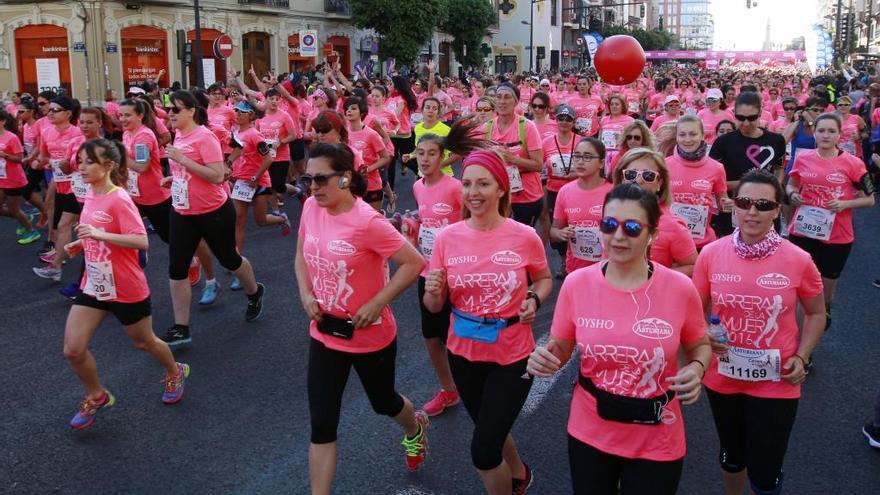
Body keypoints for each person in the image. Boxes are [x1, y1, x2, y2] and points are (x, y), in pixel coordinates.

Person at [527, 183, 710, 495]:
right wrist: (543, 358)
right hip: (590, 430)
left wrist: (696, 370)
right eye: (609, 225)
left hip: (657, 434)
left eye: (633, 227)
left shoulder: (679, 288)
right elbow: (559, 348)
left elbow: (700, 345)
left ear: (652, 234)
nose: (618, 236)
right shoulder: (577, 284)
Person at [294, 143, 429, 494]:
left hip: (369, 335)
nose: (313, 187)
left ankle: (414, 428)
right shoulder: (310, 208)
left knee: (383, 402)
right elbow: (301, 256)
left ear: (346, 179)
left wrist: (377, 303)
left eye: (321, 178)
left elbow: (414, 262)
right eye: (308, 178)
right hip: (325, 331)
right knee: (322, 422)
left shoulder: (368, 221)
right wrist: (306, 294)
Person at [424, 149, 552, 495]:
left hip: (512, 356)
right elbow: (433, 305)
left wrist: (534, 299)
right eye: (467, 184)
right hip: (463, 353)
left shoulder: (523, 236)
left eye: (483, 183)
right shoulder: (447, 238)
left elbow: (543, 278)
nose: (473, 192)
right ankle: (519, 472)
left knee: (483, 451)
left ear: (501, 189)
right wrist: (434, 291)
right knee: (487, 427)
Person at [693, 169, 826, 495]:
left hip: (776, 379)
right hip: (724, 376)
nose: (752, 211)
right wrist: (703, 337)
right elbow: (693, 310)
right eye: (745, 202)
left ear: (778, 209)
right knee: (732, 455)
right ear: (734, 206)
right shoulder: (711, 253)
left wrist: (802, 356)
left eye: (764, 205)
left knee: (765, 468)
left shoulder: (798, 259)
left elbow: (816, 313)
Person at [63, 138, 189, 430]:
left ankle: (175, 370)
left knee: (144, 341)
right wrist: (81, 245)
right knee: (73, 349)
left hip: (125, 285)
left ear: (109, 165)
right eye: (79, 161)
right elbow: (95, 230)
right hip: (94, 282)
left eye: (88, 162)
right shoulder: (90, 195)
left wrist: (98, 235)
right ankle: (97, 395)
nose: (81, 167)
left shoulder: (119, 198)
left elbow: (141, 241)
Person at [160, 90, 266, 346]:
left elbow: (218, 175)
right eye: (168, 109)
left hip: (213, 211)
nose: (170, 114)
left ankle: (254, 292)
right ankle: (181, 326)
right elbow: (192, 172)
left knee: (230, 259)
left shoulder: (204, 136)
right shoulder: (180, 135)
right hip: (183, 211)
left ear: (191, 111)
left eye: (175, 109)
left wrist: (182, 160)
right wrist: (175, 178)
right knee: (177, 268)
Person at [786, 113, 874, 329]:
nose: (826, 135)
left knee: (825, 292)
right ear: (814, 133)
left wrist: (844, 205)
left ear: (839, 134)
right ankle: (803, 347)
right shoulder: (804, 158)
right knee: (803, 291)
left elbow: (869, 200)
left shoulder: (853, 164)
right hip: (803, 231)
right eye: (821, 130)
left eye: (831, 131)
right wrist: (792, 194)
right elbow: (791, 185)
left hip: (837, 235)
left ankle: (825, 309)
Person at [709, 92, 786, 237]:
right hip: (733, 209)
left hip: (765, 208)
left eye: (752, 118)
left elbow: (779, 168)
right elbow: (712, 180)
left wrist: (775, 186)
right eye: (740, 118)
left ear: (760, 114)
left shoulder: (776, 141)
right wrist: (747, 185)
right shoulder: (723, 142)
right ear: (734, 114)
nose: (745, 123)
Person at [613, 148, 697, 275]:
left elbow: (694, 265)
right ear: (622, 179)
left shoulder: (672, 226)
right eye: (631, 174)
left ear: (660, 183)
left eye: (648, 176)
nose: (638, 180)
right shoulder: (611, 216)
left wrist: (655, 277)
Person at [227, 100, 291, 256]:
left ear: (250, 115)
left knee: (260, 221)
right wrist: (229, 170)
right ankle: (238, 258)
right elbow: (236, 155)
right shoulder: (236, 133)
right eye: (236, 111)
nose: (237, 114)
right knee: (239, 220)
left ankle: (281, 219)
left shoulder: (255, 135)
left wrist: (256, 177)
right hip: (242, 182)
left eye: (241, 112)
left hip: (260, 182)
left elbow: (268, 159)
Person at [32, 96, 83, 282]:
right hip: (60, 185)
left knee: (64, 224)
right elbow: (44, 157)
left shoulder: (78, 133)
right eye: (50, 109)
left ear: (68, 114)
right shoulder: (46, 132)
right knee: (67, 225)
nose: (50, 113)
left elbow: (85, 159)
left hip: (78, 186)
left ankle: (56, 266)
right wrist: (40, 163)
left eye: (55, 110)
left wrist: (68, 165)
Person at [665, 116, 732, 250]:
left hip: (701, 242)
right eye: (682, 135)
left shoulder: (716, 168)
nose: (687, 139)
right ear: (676, 137)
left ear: (702, 136)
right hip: (670, 240)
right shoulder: (664, 165)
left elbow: (722, 204)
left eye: (693, 134)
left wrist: (729, 204)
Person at [550, 137, 612, 277]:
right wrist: (561, 234)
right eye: (577, 156)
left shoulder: (613, 192)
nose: (580, 161)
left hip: (608, 270)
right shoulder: (565, 191)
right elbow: (553, 231)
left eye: (588, 157)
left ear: (601, 163)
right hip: (575, 271)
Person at [485, 82, 544, 227]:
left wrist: (511, 159)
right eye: (498, 97)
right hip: (498, 193)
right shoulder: (488, 127)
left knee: (521, 242)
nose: (502, 101)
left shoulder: (527, 126)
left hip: (525, 195)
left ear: (516, 102)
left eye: (507, 97)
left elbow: (538, 165)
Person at [543, 103, 582, 277]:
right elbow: (541, 168)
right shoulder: (547, 142)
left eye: (568, 119)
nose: (564, 122)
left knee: (575, 227)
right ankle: (562, 259)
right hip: (554, 190)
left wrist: (576, 174)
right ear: (555, 120)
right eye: (561, 118)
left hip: (576, 190)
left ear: (573, 122)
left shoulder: (581, 142)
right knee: (557, 230)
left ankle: (577, 260)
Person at [0, 108, 39, 243]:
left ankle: (31, 231)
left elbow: (19, 159)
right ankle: (24, 217)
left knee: (14, 209)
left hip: (13, 179)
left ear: (3, 121)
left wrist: (4, 155)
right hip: (1, 178)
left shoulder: (11, 137)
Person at [599, 94, 635, 174]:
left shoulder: (630, 120)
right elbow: (600, 137)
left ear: (622, 105)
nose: (614, 106)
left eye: (617, 104)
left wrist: (621, 137)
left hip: (621, 155)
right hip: (605, 155)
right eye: (612, 104)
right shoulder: (604, 120)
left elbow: (633, 139)